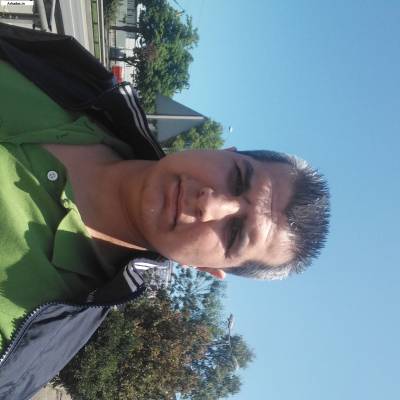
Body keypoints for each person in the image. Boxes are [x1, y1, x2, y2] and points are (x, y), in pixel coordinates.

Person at [0, 22, 329, 399]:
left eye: (234, 232)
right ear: (224, 152)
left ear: (207, 268)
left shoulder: (26, 342)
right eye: (238, 178)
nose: (210, 202)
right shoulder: (83, 83)